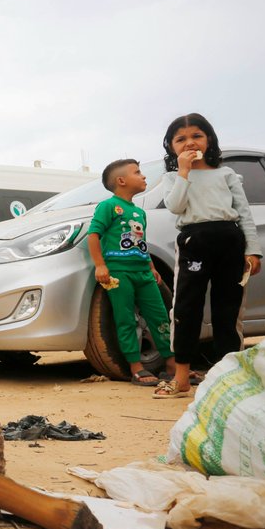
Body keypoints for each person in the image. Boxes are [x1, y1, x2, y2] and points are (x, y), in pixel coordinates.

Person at [153, 114, 263, 399]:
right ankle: (181, 377)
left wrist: (252, 249)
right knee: (186, 308)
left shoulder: (226, 174)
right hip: (194, 240)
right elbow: (175, 207)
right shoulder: (171, 178)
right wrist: (183, 173)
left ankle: (229, 376)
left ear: (209, 139)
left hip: (230, 239)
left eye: (197, 136)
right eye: (181, 139)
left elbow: (244, 213)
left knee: (228, 310)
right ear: (171, 146)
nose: (190, 142)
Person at [86, 159, 176, 386]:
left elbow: (141, 242)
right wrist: (100, 265)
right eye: (138, 172)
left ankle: (172, 365)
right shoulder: (108, 206)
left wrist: (152, 267)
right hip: (118, 273)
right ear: (121, 181)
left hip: (143, 273)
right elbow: (93, 235)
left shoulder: (139, 212)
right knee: (125, 318)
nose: (143, 176)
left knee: (160, 317)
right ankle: (136, 367)